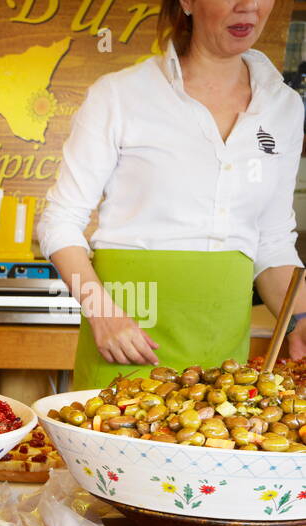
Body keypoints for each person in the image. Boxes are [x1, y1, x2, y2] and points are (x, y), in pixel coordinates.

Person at [37, 0, 306, 388]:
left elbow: (273, 239)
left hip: (223, 346)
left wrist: (300, 318)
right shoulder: (120, 95)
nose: (248, 6)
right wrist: (102, 313)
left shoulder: (284, 107)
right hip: (127, 335)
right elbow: (59, 221)